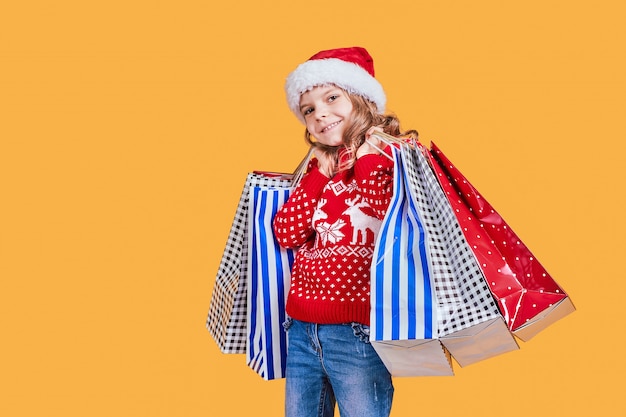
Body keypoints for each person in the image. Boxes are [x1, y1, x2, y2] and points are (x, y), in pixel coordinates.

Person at [273, 47, 416, 417]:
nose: (320, 112)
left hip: (357, 332)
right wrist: (319, 175)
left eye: (332, 97)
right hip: (302, 328)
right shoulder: (316, 169)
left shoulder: (391, 157)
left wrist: (367, 156)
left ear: (362, 98)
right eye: (308, 109)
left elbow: (393, 212)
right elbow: (287, 233)